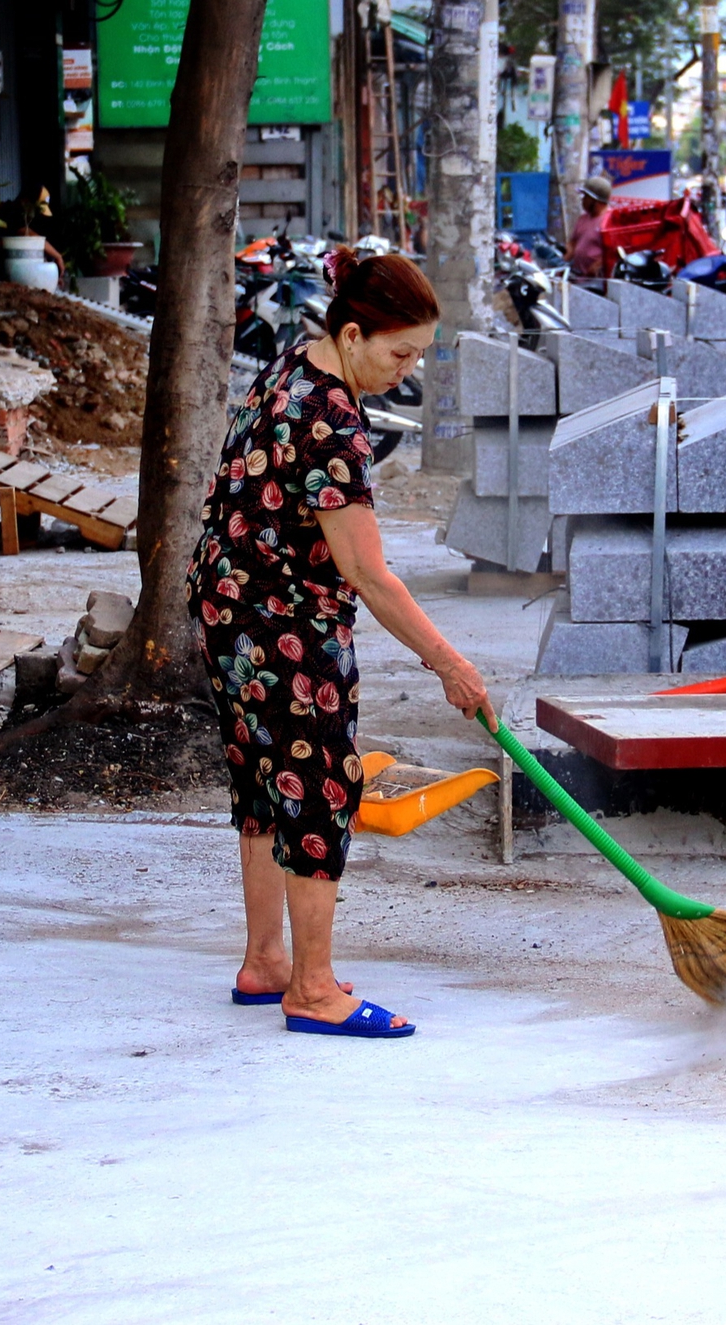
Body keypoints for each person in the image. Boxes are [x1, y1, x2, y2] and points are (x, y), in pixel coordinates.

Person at [186, 251, 492, 1040]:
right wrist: (450, 665)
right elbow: (368, 572)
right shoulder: (332, 421)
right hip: (284, 622)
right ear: (353, 333)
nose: (407, 369)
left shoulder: (295, 363)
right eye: (399, 353)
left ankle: (266, 963)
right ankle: (313, 989)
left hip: (227, 604)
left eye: (420, 353)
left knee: (262, 788)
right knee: (319, 789)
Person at [566, 175, 613, 278]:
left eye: (586, 197)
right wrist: (566, 254)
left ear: (596, 201)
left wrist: (598, 264)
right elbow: (573, 242)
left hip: (597, 283)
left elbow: (614, 253)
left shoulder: (610, 221)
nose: (583, 200)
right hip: (578, 278)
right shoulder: (583, 219)